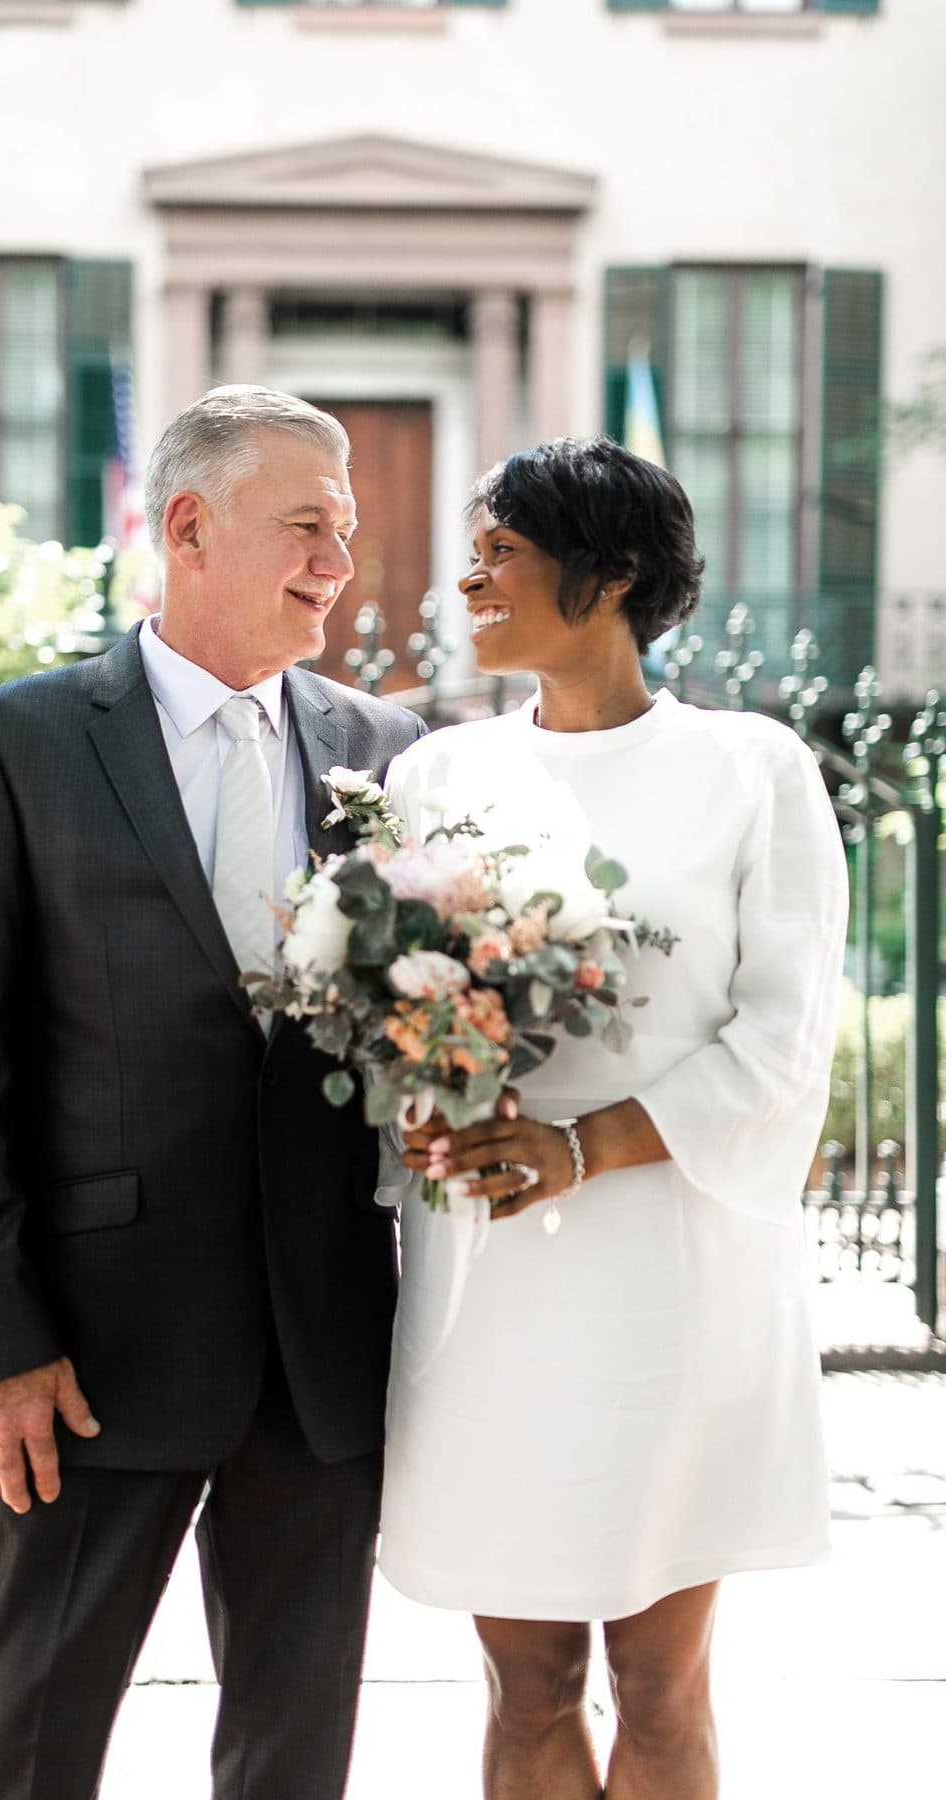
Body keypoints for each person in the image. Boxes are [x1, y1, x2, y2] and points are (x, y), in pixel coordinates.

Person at [0, 385, 425, 1800]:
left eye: (348, 530)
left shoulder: (391, 752)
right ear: (189, 526)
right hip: (81, 1362)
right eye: (308, 526)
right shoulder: (19, 740)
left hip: (322, 1358)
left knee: (295, 1755)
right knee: (26, 1744)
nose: (339, 562)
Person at [378, 436, 848, 1800]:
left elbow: (785, 1039)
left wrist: (584, 1145)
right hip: (489, 1284)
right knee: (526, 1684)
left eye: (501, 552)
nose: (468, 575)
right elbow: (404, 1012)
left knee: (658, 1684)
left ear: (613, 574)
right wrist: (423, 1109)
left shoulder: (753, 769)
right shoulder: (435, 775)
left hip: (679, 1277)